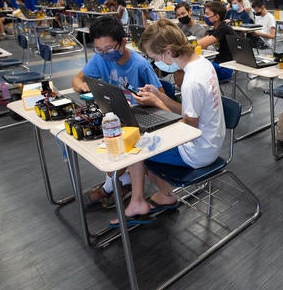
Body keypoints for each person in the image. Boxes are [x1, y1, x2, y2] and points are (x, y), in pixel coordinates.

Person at [111, 18, 225, 223]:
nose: (155, 63)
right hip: (209, 140)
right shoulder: (201, 64)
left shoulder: (192, 81)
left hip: (198, 152)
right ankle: (160, 195)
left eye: (155, 57)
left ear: (168, 52)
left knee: (137, 148)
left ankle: (143, 200)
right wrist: (159, 95)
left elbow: (189, 127)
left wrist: (157, 103)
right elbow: (188, 113)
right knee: (143, 139)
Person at [71, 16, 163, 208]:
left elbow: (160, 96)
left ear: (123, 41)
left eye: (109, 49)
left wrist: (147, 99)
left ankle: (112, 185)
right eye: (99, 50)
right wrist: (82, 86)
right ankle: (120, 182)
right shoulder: (100, 58)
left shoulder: (140, 65)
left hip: (139, 117)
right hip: (114, 114)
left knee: (116, 146)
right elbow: (77, 80)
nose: (105, 54)